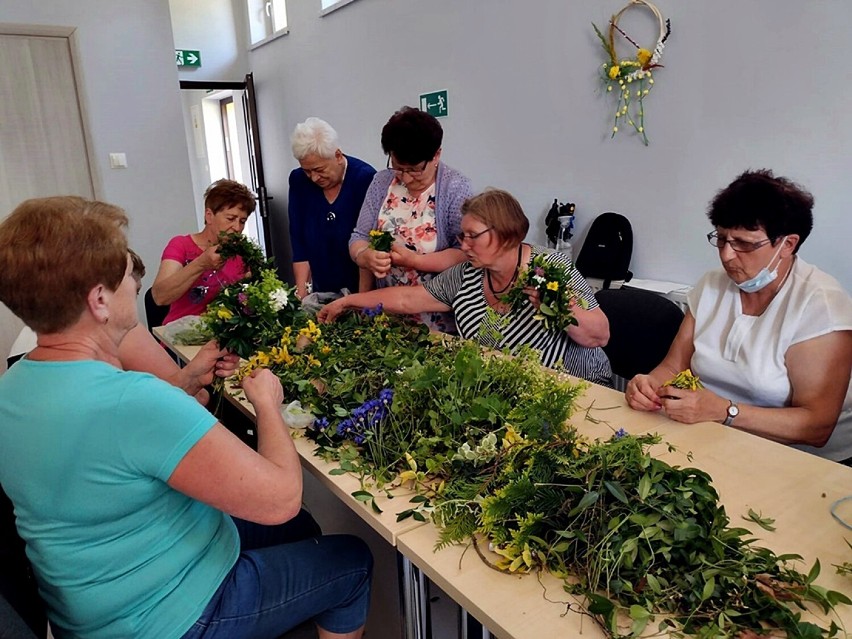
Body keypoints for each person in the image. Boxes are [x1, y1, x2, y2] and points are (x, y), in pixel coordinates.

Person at [0, 196, 372, 639]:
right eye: (124, 274)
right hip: (167, 614)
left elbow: (118, 447)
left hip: (91, 599)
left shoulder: (15, 384)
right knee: (351, 560)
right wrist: (266, 404)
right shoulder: (132, 401)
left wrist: (188, 378)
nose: (135, 282)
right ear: (98, 299)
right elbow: (280, 498)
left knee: (301, 528)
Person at [625, 170, 852, 463]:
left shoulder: (821, 307)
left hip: (802, 461)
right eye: (721, 239)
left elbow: (816, 427)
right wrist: (646, 385)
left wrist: (724, 411)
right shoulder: (711, 285)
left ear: (787, 244)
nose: (727, 255)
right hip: (718, 438)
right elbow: (673, 367)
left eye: (744, 243)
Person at [324, 189, 612, 386]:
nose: (464, 245)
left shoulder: (552, 268)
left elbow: (600, 335)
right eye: (463, 236)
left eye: (473, 236)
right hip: (513, 397)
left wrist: (560, 306)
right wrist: (349, 301)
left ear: (506, 235)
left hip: (581, 391)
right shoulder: (468, 274)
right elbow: (409, 299)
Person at [349, 106, 472, 333]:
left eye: (414, 170)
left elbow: (465, 252)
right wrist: (364, 256)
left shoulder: (455, 187)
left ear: (436, 155)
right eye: (398, 168)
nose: (405, 177)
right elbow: (359, 236)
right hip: (387, 313)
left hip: (438, 320)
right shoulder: (381, 183)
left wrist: (415, 261)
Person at [289, 117, 376, 299]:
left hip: (360, 286)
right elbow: (299, 242)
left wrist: (360, 301)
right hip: (321, 286)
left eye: (319, 170)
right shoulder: (299, 181)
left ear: (337, 156)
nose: (313, 178)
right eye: (307, 171)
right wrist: (302, 294)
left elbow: (369, 243)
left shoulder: (365, 179)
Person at [153, 179, 256, 325]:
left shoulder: (242, 253)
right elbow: (160, 296)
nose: (237, 227)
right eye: (231, 218)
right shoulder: (181, 245)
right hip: (182, 336)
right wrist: (201, 264)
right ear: (209, 216)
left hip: (225, 335)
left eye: (242, 221)